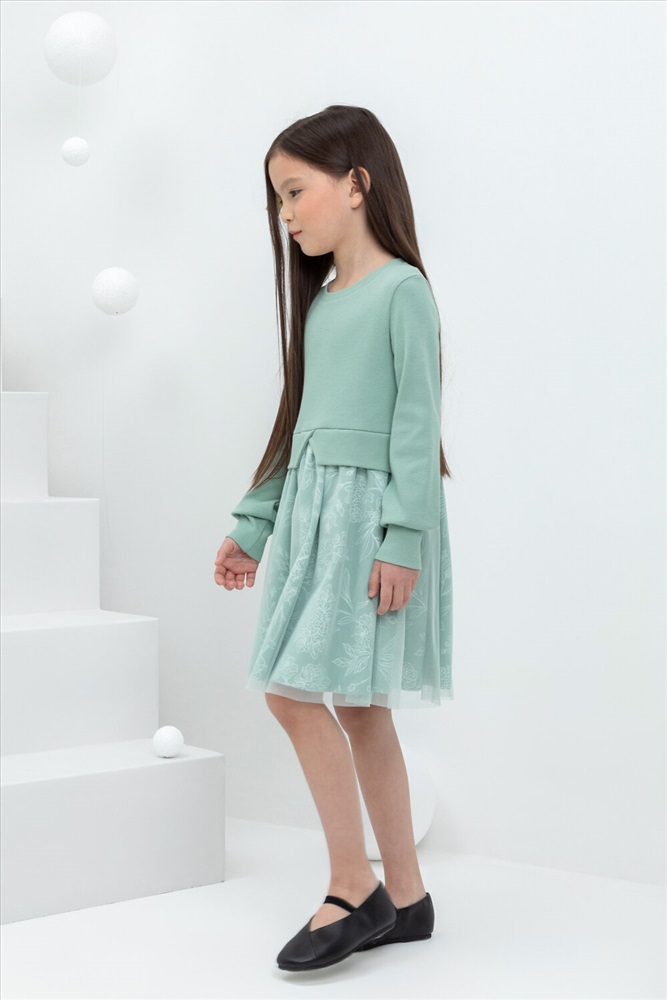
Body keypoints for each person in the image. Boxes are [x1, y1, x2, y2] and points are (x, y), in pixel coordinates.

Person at [213, 105, 454, 972]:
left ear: (356, 184)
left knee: (292, 694)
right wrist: (254, 522)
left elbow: (417, 426)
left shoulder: (401, 291)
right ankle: (408, 895)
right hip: (314, 517)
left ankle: (355, 885)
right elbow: (299, 427)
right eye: (276, 200)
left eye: (294, 192)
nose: (285, 215)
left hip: (367, 525)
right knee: (352, 704)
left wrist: (402, 538)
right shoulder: (320, 304)